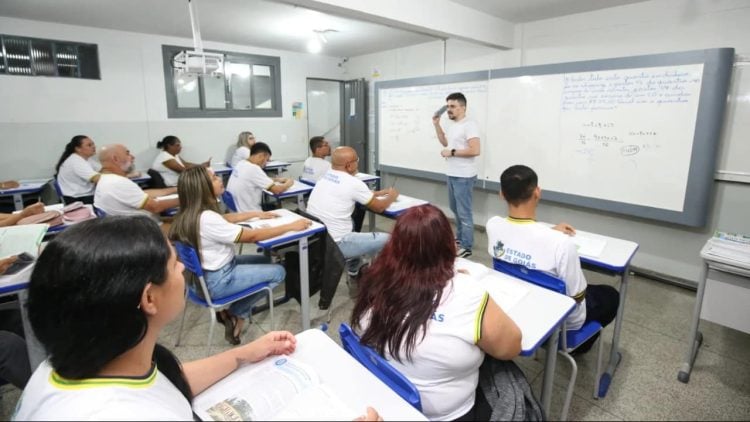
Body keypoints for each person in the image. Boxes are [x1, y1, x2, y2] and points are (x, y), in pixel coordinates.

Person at [15, 216, 380, 421]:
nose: (184, 271)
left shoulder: (75, 360)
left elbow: (165, 384)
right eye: (175, 266)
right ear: (149, 297)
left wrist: (242, 354)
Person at [351, 204, 522, 421]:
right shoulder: (467, 292)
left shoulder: (374, 279)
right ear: (449, 247)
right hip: (448, 415)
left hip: (384, 399)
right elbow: (511, 347)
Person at [170, 167, 311, 345]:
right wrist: (291, 226)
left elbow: (226, 219)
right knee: (278, 272)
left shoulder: (189, 214)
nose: (220, 180)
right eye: (214, 178)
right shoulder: (207, 218)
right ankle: (237, 312)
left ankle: (234, 312)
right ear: (202, 188)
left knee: (266, 261)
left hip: (201, 280)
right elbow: (251, 237)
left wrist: (257, 214)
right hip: (218, 280)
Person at [487, 164, 620, 353]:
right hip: (557, 325)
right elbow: (576, 298)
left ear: (501, 194)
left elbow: (520, 234)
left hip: (516, 306)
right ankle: (578, 347)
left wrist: (548, 232)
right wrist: (551, 235)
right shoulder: (562, 244)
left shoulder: (493, 226)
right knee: (610, 295)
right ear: (538, 192)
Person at [306, 146, 398, 282]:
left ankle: (354, 271)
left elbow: (349, 192)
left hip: (318, 238)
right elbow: (379, 208)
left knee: (352, 224)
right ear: (349, 165)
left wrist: (378, 193)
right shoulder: (353, 183)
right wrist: (391, 196)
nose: (358, 163)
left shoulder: (325, 176)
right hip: (338, 242)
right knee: (390, 239)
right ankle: (378, 278)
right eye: (357, 160)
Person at [432, 92, 480, 258]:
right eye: (448, 106)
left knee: (464, 211)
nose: (449, 110)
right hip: (452, 173)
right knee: (455, 209)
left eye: (452, 106)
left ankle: (466, 245)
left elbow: (475, 150)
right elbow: (446, 142)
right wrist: (437, 125)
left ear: (463, 107)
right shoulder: (453, 125)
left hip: (464, 176)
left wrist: (451, 152)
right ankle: (460, 239)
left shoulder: (469, 125)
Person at [94, 144, 179, 221]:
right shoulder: (118, 183)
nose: (133, 157)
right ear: (115, 159)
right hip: (144, 229)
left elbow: (141, 193)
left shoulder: (106, 179)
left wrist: (176, 189)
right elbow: (155, 207)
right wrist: (187, 199)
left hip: (137, 224)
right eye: (127, 154)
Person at [226, 142, 293, 212]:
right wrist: (289, 183)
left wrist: (277, 180)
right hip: (251, 213)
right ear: (261, 156)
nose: (266, 164)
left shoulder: (241, 163)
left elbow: (255, 179)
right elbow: (277, 190)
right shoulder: (254, 169)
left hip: (237, 210)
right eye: (267, 160)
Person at [54, 135, 100, 204]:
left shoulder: (87, 158)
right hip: (78, 199)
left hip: (85, 195)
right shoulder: (76, 161)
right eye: (89, 145)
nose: (94, 146)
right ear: (78, 149)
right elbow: (97, 178)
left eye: (93, 144)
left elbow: (103, 169)